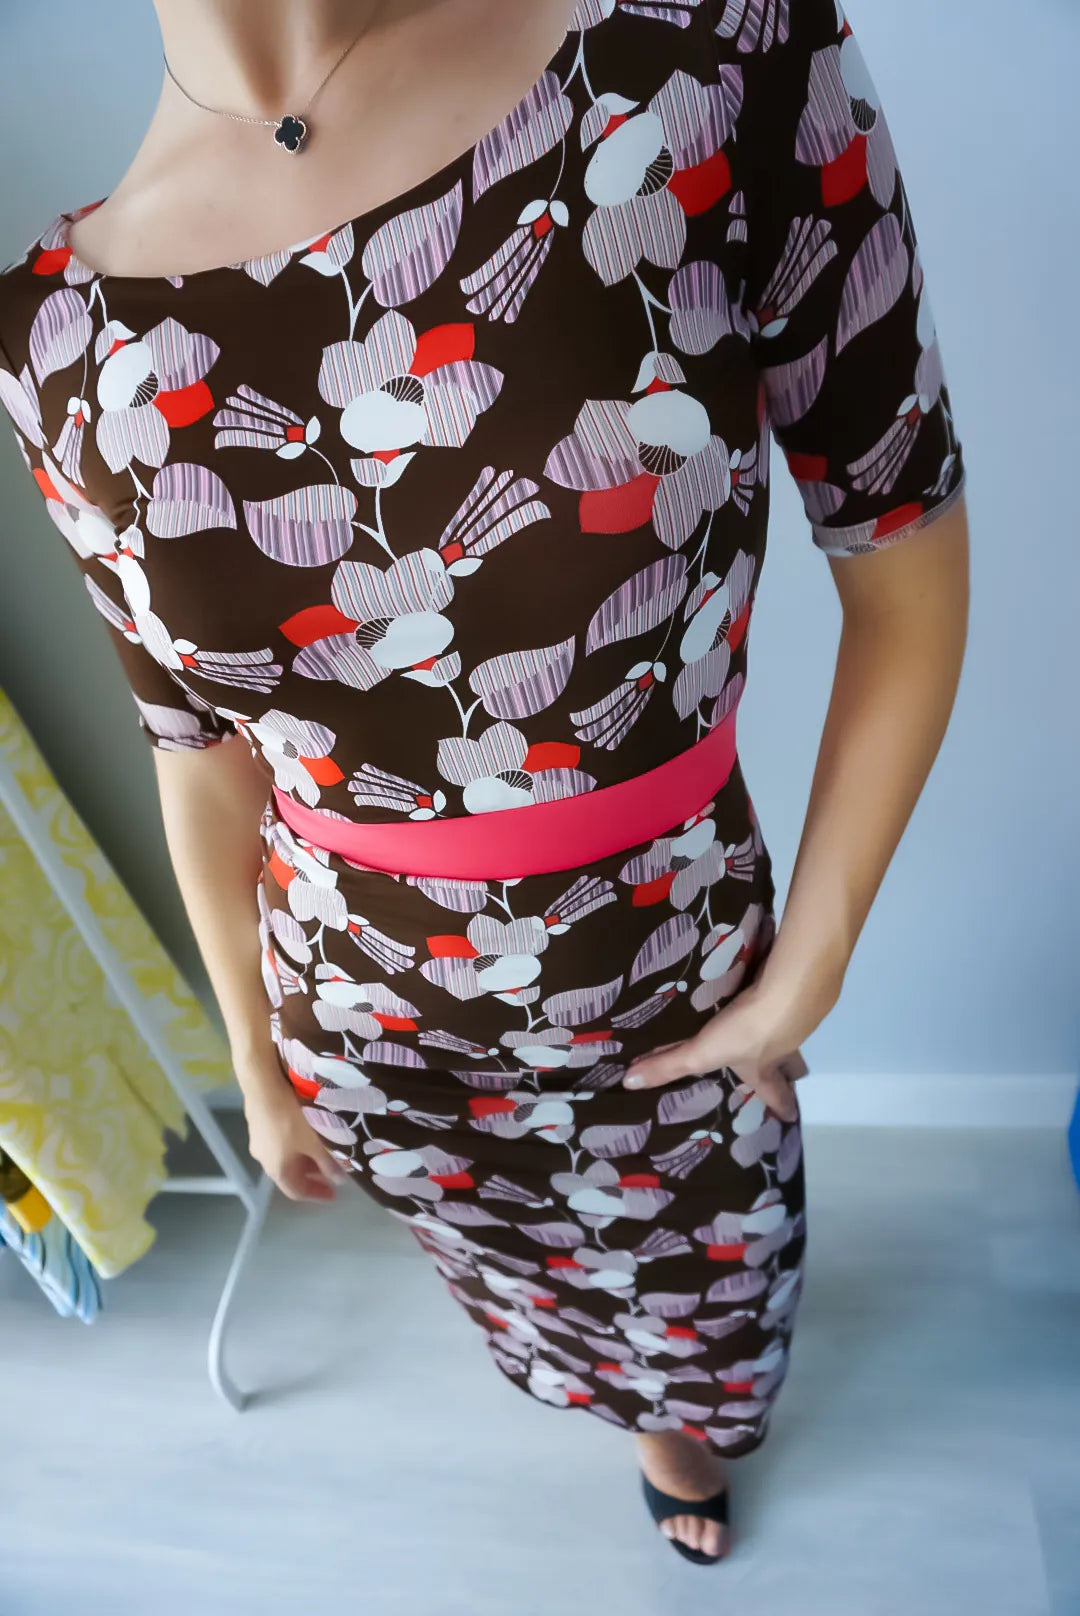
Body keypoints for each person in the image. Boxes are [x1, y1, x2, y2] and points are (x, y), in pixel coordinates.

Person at [0, 0, 969, 1566]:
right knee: (528, 1289)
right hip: (366, 1027)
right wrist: (259, 1062)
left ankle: (692, 1434)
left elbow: (903, 541)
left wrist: (816, 964)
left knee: (710, 1283)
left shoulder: (704, 53)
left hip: (668, 973)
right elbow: (196, 752)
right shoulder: (52, 343)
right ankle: (627, 1414)